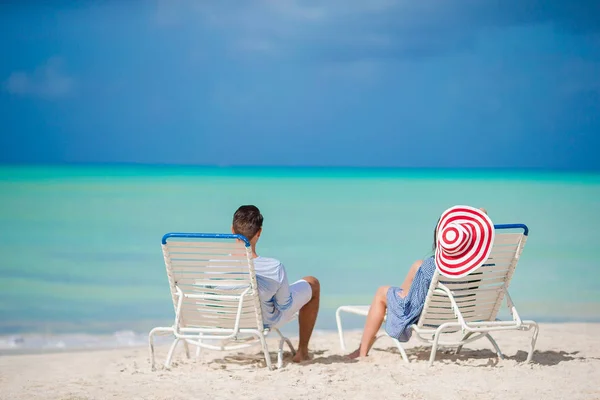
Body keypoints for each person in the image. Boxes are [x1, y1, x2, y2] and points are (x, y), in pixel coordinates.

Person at [348, 205, 493, 359]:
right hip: (460, 314)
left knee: (382, 292)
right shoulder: (480, 264)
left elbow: (412, 307)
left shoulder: (431, 266)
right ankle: (363, 348)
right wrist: (478, 218)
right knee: (417, 266)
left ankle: (362, 351)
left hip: (430, 316)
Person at [231, 205, 320, 363]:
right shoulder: (272, 267)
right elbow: (284, 306)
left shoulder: (215, 265)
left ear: (232, 230)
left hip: (229, 320)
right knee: (312, 283)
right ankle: (302, 352)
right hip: (264, 320)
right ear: (259, 232)